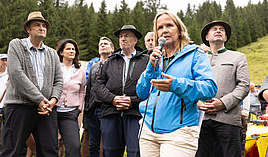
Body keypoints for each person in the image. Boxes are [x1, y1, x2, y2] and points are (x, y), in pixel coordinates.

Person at [136, 11, 218, 157]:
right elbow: (141, 93)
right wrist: (150, 66)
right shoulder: (156, 57)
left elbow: (209, 88)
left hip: (180, 132)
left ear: (179, 30)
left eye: (169, 25)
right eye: (160, 28)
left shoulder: (195, 54)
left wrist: (175, 85)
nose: (164, 30)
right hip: (148, 131)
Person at [1, 11, 63, 156]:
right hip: (18, 107)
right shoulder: (16, 45)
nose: (42, 28)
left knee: (49, 151)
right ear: (28, 29)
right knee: (13, 151)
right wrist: (40, 100)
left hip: (47, 109)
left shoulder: (52, 53)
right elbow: (16, 75)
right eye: (37, 25)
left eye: (44, 25)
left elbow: (59, 81)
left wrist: (52, 101)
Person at [196, 20, 250, 157]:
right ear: (207, 37)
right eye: (214, 29)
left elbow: (244, 86)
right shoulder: (197, 59)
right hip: (200, 121)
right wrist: (197, 103)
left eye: (222, 30)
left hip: (228, 120)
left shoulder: (238, 57)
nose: (218, 31)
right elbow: (190, 85)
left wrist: (223, 103)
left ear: (225, 37)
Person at [95, 25, 149, 157]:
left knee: (134, 152)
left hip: (136, 113)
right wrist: (113, 99)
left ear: (135, 40)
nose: (123, 39)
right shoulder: (110, 60)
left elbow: (151, 87)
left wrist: (132, 101)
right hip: (111, 112)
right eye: (120, 36)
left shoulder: (146, 60)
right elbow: (98, 85)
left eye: (127, 36)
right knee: (110, 151)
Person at [85, 37, 114, 157]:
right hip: (92, 109)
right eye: (101, 44)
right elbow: (89, 89)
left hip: (108, 109)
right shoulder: (93, 66)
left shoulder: (116, 65)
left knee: (109, 144)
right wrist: (87, 108)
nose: (103, 45)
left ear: (112, 49)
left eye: (106, 44)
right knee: (93, 144)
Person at [56, 39, 86, 157]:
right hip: (52, 111)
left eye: (73, 49)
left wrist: (79, 107)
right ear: (61, 52)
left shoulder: (80, 71)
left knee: (74, 146)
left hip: (70, 113)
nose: (71, 51)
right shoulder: (56, 68)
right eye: (68, 48)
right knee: (51, 145)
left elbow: (82, 90)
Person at [0, 54, 8, 152]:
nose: (4, 63)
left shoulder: (10, 75)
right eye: (2, 60)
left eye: (6, 60)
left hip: (5, 107)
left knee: (4, 129)